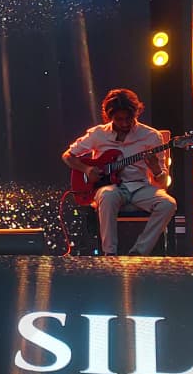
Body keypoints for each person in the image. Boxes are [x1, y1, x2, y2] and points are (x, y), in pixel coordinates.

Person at [62, 88, 176, 255]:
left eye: (128, 118)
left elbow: (163, 183)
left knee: (168, 204)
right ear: (109, 117)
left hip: (140, 187)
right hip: (109, 187)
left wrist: (156, 168)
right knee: (107, 195)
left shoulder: (151, 136)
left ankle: (138, 252)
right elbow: (67, 156)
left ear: (136, 114)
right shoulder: (98, 134)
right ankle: (110, 255)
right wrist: (86, 169)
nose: (124, 124)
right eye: (118, 119)